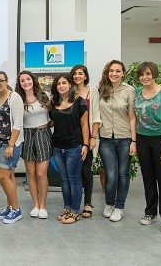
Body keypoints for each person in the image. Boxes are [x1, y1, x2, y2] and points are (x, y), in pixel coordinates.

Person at [134, 61, 161, 234]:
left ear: (154, 75)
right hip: (142, 139)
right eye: (142, 75)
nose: (145, 77)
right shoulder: (137, 92)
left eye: (148, 74)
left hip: (160, 140)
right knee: (148, 178)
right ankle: (150, 212)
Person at [98, 60, 137, 222]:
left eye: (118, 71)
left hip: (125, 138)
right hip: (106, 138)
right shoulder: (101, 90)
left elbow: (132, 117)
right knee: (111, 174)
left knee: (123, 174)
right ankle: (109, 203)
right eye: (111, 71)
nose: (114, 73)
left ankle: (119, 207)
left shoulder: (130, 91)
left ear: (123, 73)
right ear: (108, 73)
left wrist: (134, 141)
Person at [50, 73, 90, 224]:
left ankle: (75, 211)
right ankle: (66, 207)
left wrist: (85, 145)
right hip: (57, 147)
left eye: (64, 83)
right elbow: (53, 122)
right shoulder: (53, 103)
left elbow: (85, 124)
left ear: (70, 84)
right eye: (58, 83)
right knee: (64, 179)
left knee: (74, 179)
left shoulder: (79, 102)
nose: (61, 86)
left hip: (75, 147)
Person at [15, 71, 52, 219]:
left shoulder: (44, 96)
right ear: (20, 84)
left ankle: (43, 206)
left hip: (43, 134)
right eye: (22, 80)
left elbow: (52, 117)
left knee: (41, 174)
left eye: (28, 79)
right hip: (27, 135)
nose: (26, 82)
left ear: (33, 80)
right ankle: (35, 205)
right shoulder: (18, 100)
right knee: (30, 174)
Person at [0, 71, 24, 224]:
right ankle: (9, 206)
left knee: (2, 176)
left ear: (6, 81)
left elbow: (18, 123)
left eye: (1, 81)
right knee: (9, 176)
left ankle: (16, 210)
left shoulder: (14, 97)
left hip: (10, 144)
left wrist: (11, 145)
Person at [70, 65, 101, 218]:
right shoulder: (68, 91)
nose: (77, 76)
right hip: (71, 139)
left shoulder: (92, 91)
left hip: (86, 137)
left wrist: (92, 137)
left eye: (80, 73)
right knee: (73, 172)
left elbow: (96, 116)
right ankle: (73, 203)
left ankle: (87, 203)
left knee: (85, 170)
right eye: (75, 73)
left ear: (85, 76)